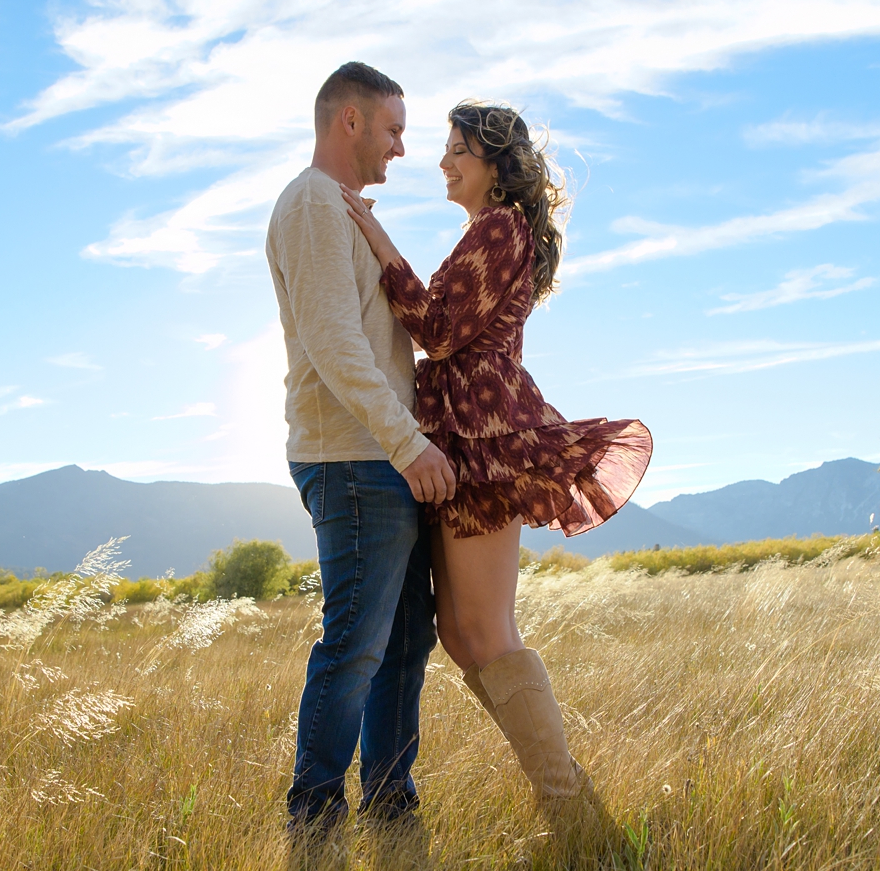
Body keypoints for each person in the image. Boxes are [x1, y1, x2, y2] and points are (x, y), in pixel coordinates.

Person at [342, 100, 651, 814]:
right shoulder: (487, 229)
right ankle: (568, 797)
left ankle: (569, 804)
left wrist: (379, 241)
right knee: (457, 633)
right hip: (459, 429)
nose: (443, 163)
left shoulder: (503, 226)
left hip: (485, 434)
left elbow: (440, 330)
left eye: (457, 150)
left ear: (494, 163)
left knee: (486, 630)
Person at [264, 62, 458, 831]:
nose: (403, 149)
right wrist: (410, 445)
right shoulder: (312, 204)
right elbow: (335, 344)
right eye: (394, 129)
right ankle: (313, 813)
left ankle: (389, 801)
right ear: (350, 121)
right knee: (355, 645)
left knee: (407, 641)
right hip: (354, 459)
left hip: (383, 458)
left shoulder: (341, 210)